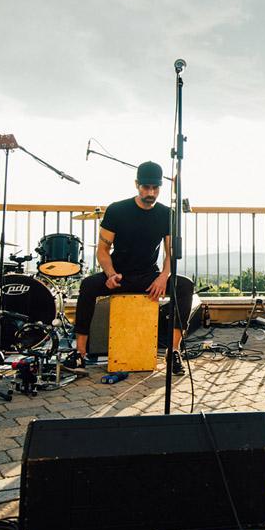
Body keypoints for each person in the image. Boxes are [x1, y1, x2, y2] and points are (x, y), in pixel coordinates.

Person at [68, 161, 195, 376]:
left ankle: (173, 351)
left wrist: (164, 276)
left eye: (155, 188)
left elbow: (170, 252)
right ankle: (80, 353)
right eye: (146, 187)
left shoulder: (167, 214)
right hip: (119, 275)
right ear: (137, 184)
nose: (151, 193)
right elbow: (103, 250)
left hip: (150, 277)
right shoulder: (117, 210)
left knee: (184, 286)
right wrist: (110, 274)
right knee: (88, 286)